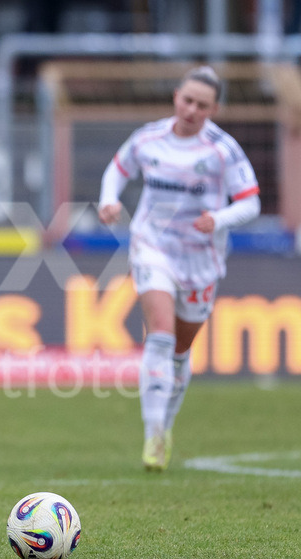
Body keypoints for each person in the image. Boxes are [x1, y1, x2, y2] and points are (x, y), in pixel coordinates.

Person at [97, 65, 260, 472]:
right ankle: (152, 433)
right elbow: (117, 169)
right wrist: (109, 200)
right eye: (187, 100)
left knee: (181, 351)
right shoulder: (149, 138)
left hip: (200, 258)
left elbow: (250, 202)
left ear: (214, 109)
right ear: (176, 97)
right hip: (153, 246)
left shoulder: (222, 150)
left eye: (202, 105)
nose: (191, 110)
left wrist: (219, 219)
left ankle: (166, 427)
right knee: (160, 336)